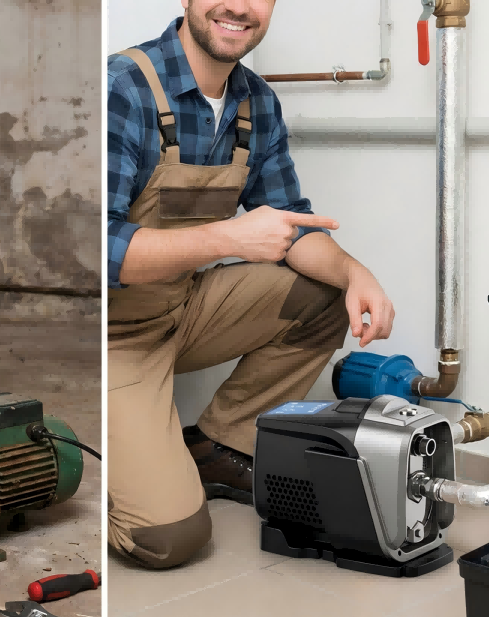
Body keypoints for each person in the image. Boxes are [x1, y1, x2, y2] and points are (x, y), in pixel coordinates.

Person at [107, 0, 397, 569]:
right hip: (112, 337)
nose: (239, 7)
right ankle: (118, 444)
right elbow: (95, 248)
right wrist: (227, 238)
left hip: (181, 310)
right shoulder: (124, 87)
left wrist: (355, 274)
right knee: (169, 539)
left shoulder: (256, 102)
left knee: (323, 295)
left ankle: (219, 447)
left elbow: (291, 226)